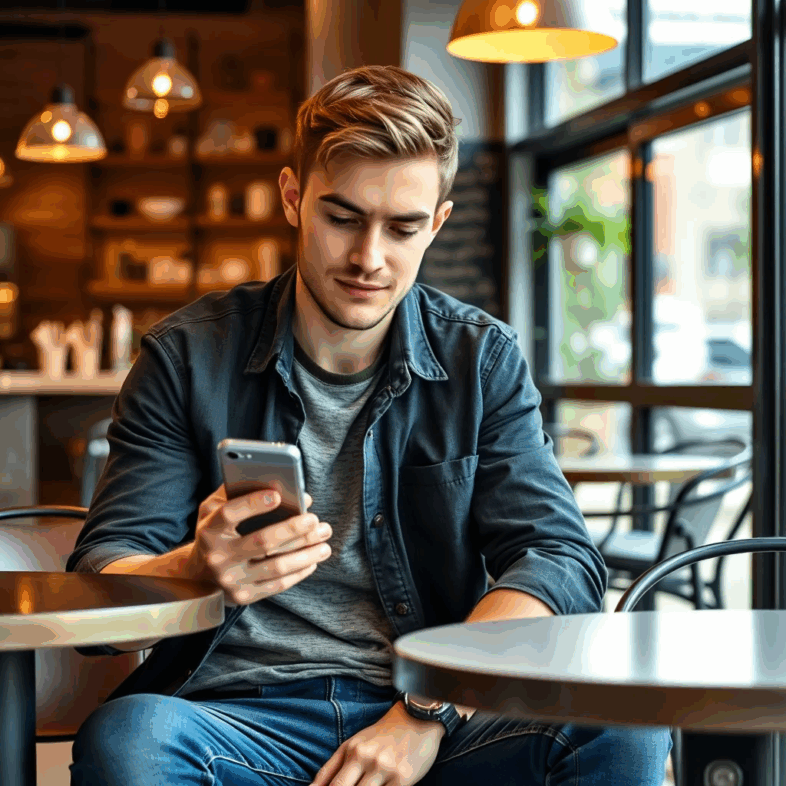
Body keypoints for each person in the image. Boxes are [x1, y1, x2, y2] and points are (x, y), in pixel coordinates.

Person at [67, 65, 671, 786]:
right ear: (293, 198)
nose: (368, 258)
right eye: (343, 217)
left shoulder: (481, 359)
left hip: (433, 718)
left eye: (404, 227)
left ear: (438, 223)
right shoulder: (187, 356)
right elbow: (106, 565)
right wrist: (190, 571)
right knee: (129, 739)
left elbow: (559, 559)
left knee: (627, 719)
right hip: (237, 721)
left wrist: (427, 711)